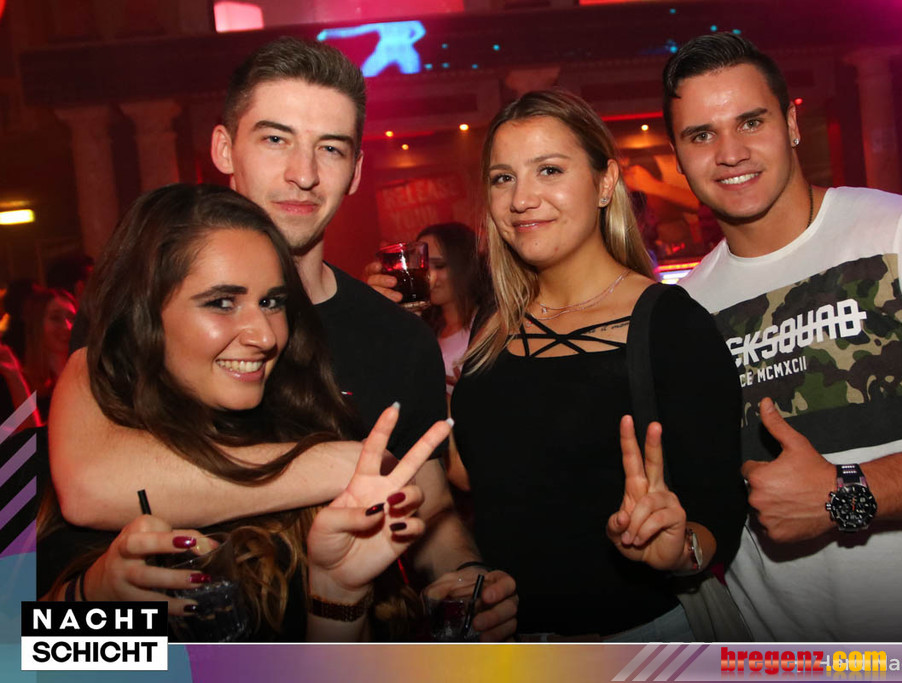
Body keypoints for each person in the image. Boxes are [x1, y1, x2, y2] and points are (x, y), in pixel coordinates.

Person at [47, 37, 517, 639]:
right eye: (276, 139)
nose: (304, 174)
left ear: (356, 171)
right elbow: (87, 486)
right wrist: (330, 464)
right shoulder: (147, 300)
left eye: (330, 148)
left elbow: (428, 509)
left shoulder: (398, 337)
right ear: (224, 148)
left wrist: (466, 578)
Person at [662, 33, 902, 641]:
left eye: (751, 121)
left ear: (791, 123)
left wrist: (845, 495)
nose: (730, 152)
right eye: (701, 134)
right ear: (677, 154)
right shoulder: (684, 311)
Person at [38, 184, 449, 642]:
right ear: (145, 314)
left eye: (272, 302)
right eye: (222, 302)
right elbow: (30, 663)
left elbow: (323, 672)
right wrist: (91, 600)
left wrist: (337, 595)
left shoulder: (306, 433)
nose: (265, 336)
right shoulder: (69, 458)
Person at [450, 89, 747, 640]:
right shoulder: (492, 322)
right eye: (503, 178)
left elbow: (722, 510)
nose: (521, 199)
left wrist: (678, 548)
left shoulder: (671, 325)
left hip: (639, 639)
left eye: (549, 170)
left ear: (605, 182)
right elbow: (475, 475)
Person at [416, 222, 491, 395]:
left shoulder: (489, 326)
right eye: (422, 266)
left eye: (439, 265)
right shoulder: (425, 328)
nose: (429, 276)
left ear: (464, 266)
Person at [21, 287, 76, 420]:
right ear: (37, 325)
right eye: (56, 318)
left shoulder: (88, 376)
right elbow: (10, 430)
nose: (67, 326)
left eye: (72, 318)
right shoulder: (22, 383)